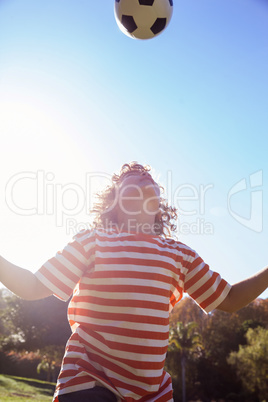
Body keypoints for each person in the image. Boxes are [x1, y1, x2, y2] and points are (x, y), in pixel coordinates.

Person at [0, 162, 267, 402]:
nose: (142, 174)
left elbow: (230, 299)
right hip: (88, 380)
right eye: (131, 176)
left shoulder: (180, 254)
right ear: (113, 202)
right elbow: (32, 286)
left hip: (152, 393)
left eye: (146, 174)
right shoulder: (93, 241)